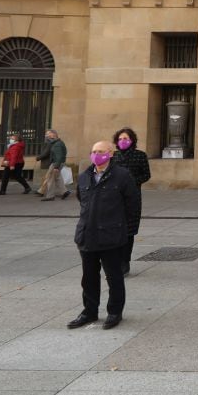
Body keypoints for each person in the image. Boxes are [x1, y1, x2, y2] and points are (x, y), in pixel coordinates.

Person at [68, 140, 140, 330]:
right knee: (89, 277)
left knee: (114, 276)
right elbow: (82, 201)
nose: (96, 154)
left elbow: (133, 205)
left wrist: (125, 230)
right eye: (93, 151)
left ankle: (114, 311)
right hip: (87, 234)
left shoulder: (122, 176)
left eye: (100, 151)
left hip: (111, 235)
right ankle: (89, 311)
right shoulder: (84, 176)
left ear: (110, 153)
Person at [112, 127, 150, 275]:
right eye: (120, 139)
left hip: (132, 198)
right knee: (115, 230)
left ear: (132, 140)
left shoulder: (140, 156)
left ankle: (125, 262)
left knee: (129, 231)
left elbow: (146, 175)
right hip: (114, 199)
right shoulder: (113, 157)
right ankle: (115, 261)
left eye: (126, 139)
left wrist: (132, 182)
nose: (123, 141)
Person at [37, 128, 70, 200]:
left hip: (55, 163)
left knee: (50, 179)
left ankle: (50, 196)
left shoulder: (57, 144)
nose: (47, 135)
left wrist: (56, 167)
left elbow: (59, 156)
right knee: (57, 178)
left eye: (48, 133)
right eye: (46, 134)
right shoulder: (56, 143)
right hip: (57, 163)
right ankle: (64, 192)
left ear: (54, 134)